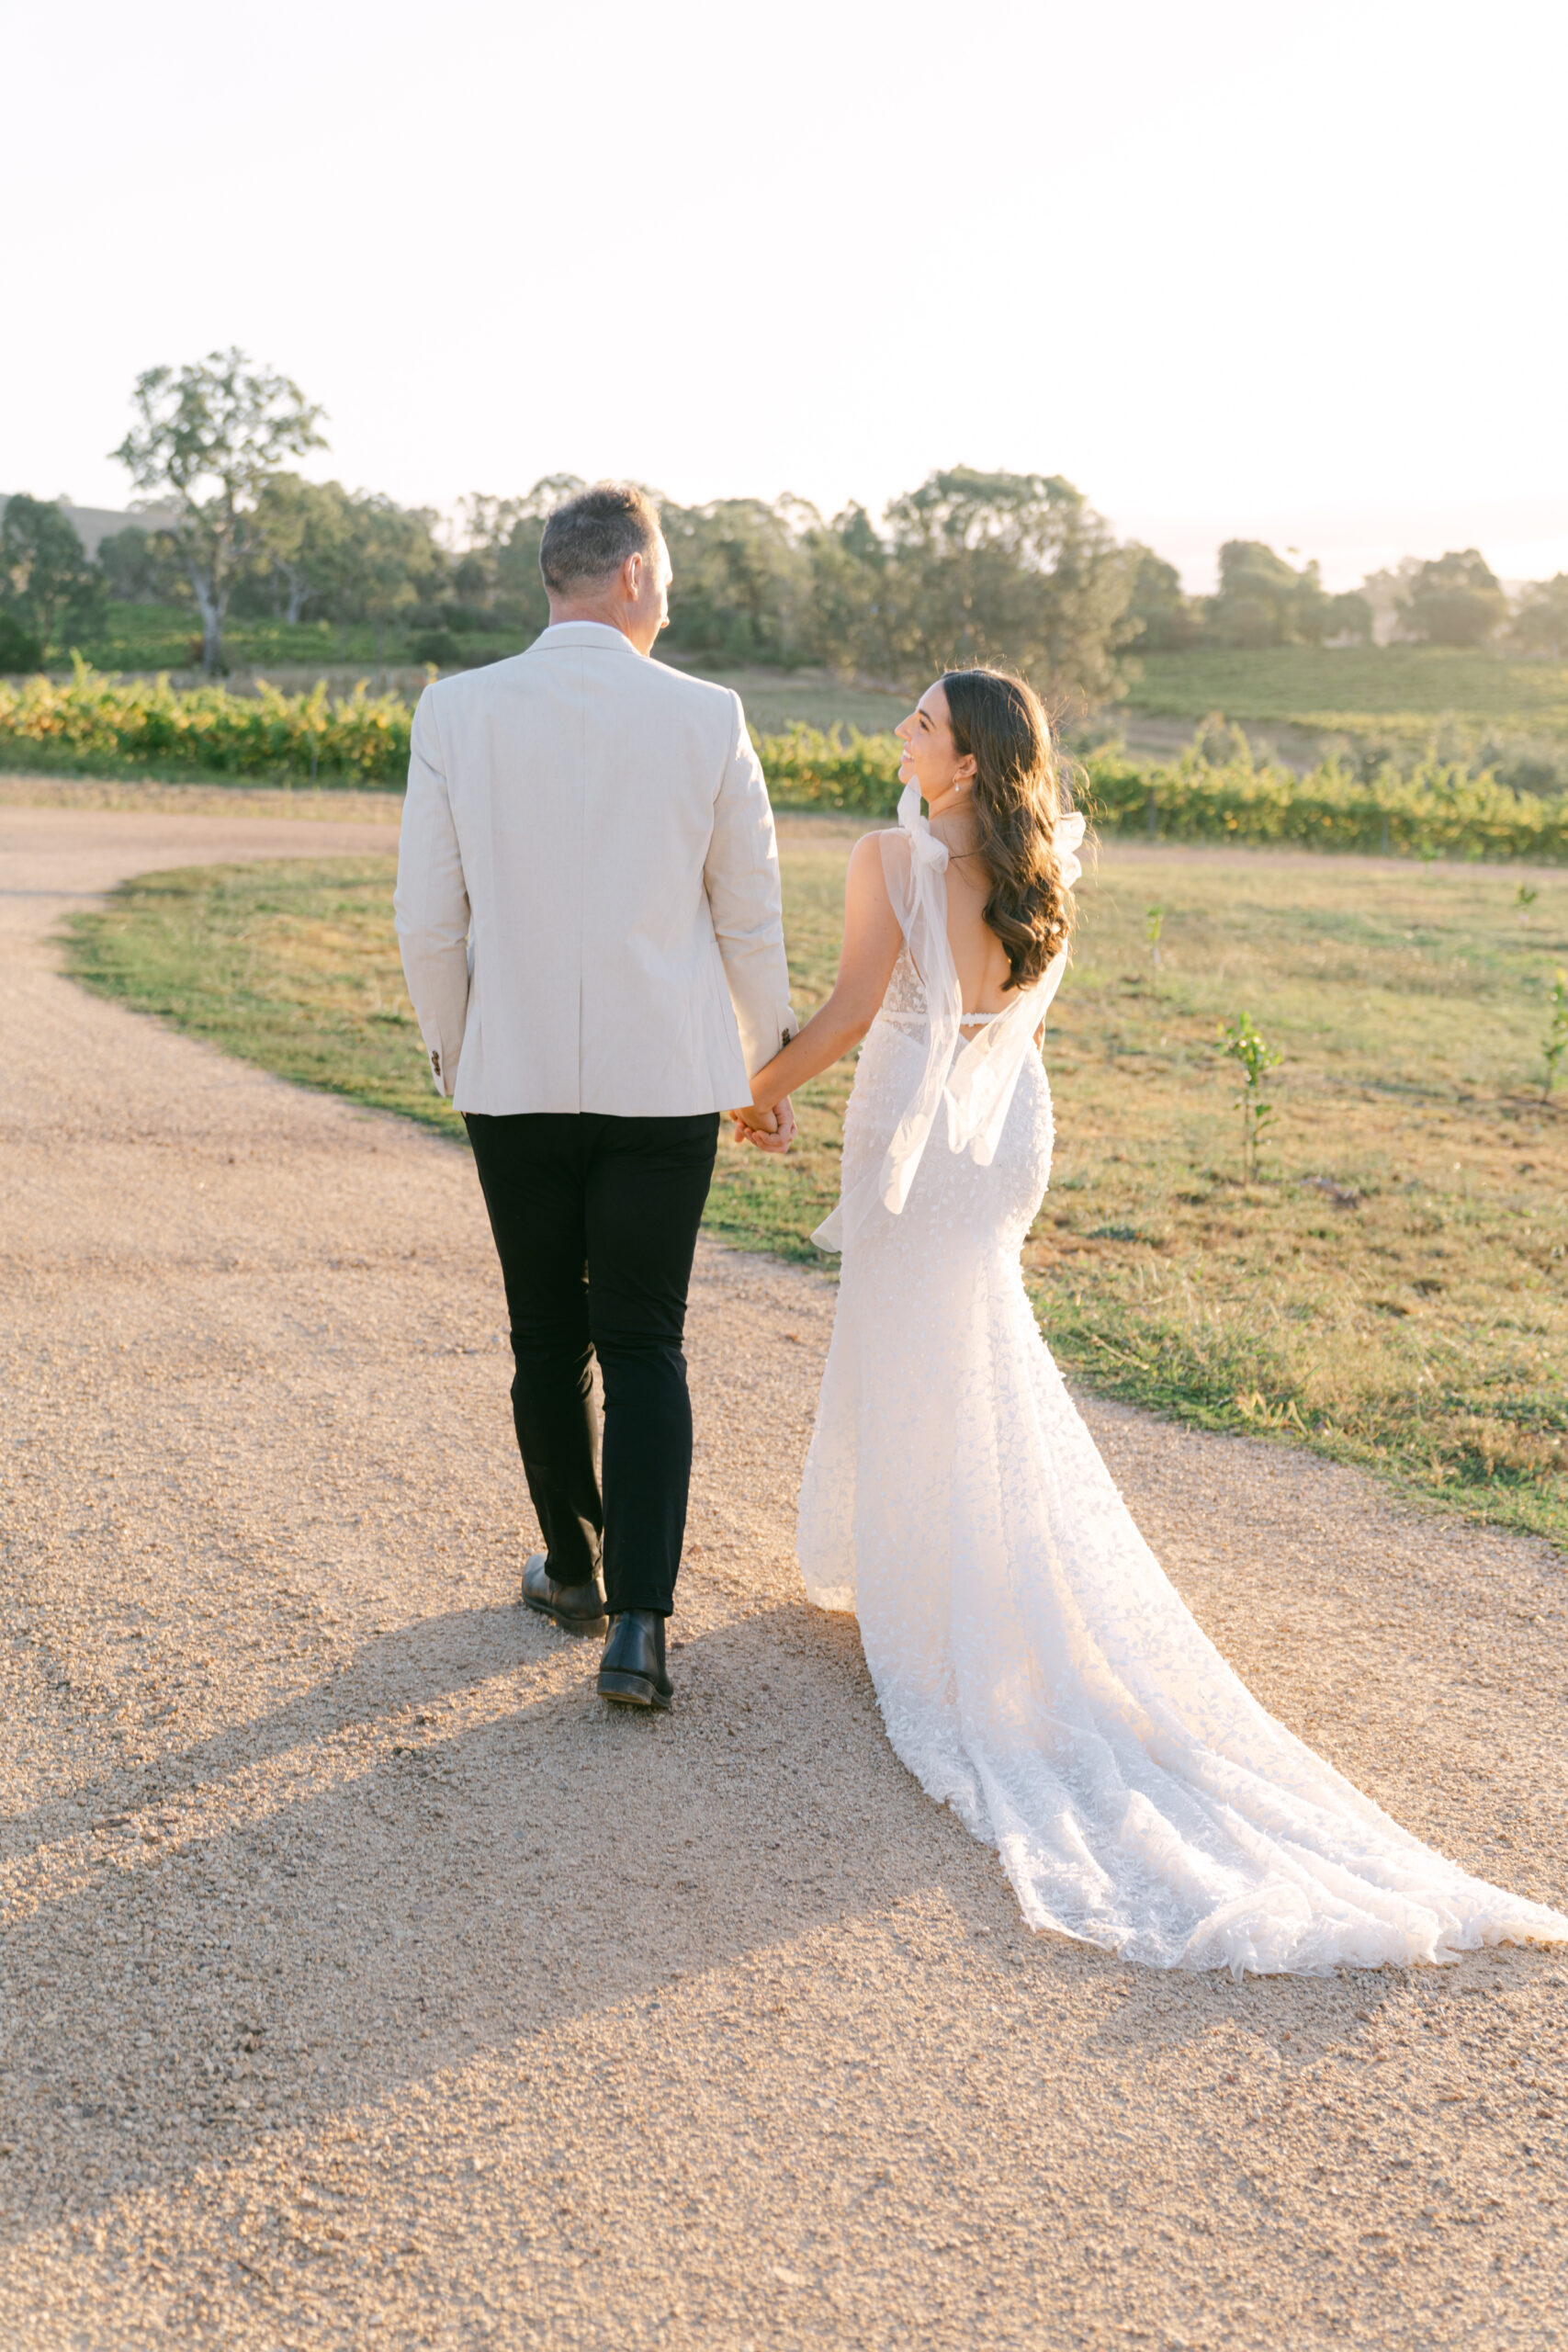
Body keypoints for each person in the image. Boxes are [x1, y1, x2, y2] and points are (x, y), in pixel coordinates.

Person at [734, 666, 1568, 1975]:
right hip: (1005, 1139)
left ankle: (936, 1593)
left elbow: (848, 1013)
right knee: (972, 1350)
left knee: (918, 1355)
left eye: (922, 725)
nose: (902, 734)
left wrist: (754, 1089)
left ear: (961, 762)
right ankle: (961, 1570)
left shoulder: (887, 857)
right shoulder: (1038, 865)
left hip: (918, 1134)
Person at [396, 482, 795, 1712]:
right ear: (629, 575)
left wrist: (463, 1052)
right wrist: (765, 1062)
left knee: (544, 1335)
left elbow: (426, 921)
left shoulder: (458, 710)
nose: (666, 593)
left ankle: (570, 1566)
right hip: (663, 1081)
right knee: (644, 1340)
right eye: (662, 572)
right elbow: (749, 912)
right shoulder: (708, 714)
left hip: (513, 1081)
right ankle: (639, 1633)